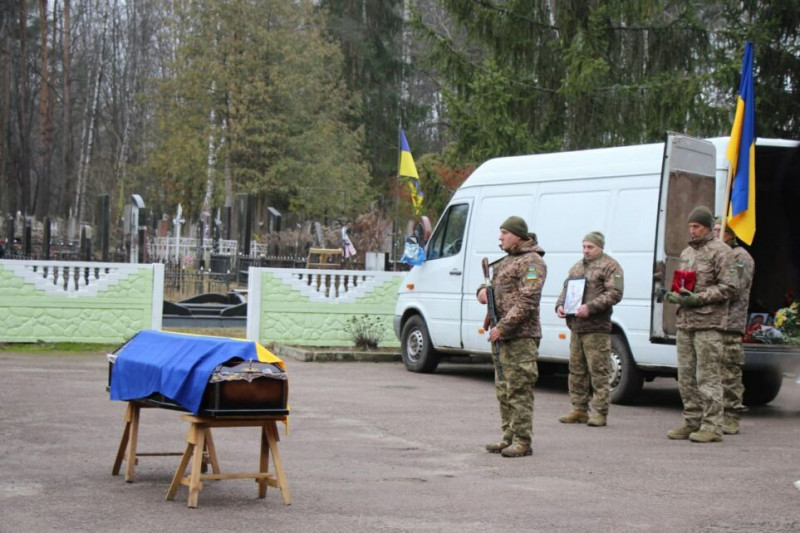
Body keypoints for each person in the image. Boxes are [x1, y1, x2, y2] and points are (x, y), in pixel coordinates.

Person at [476, 216, 546, 458]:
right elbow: (493, 290)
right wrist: (483, 293)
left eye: (505, 232)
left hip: (521, 336)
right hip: (502, 335)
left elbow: (528, 300)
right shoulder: (505, 262)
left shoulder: (532, 262)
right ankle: (508, 436)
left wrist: (504, 327)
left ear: (518, 235)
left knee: (519, 388)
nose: (500, 237)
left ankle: (523, 440)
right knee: (504, 388)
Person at [665, 206, 736, 443]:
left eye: (696, 226)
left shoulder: (723, 252)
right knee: (686, 376)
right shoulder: (687, 253)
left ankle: (713, 426)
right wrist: (675, 294)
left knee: (707, 376)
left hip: (709, 323)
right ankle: (691, 420)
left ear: (707, 227)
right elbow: (685, 283)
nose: (692, 231)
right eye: (690, 227)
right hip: (686, 322)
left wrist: (698, 298)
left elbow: (729, 287)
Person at [555, 231, 624, 427]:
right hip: (577, 327)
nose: (586, 250)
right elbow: (566, 289)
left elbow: (616, 293)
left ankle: (600, 412)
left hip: (596, 327)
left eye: (590, 247)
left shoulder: (612, 267)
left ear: (600, 247)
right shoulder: (577, 267)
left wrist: (590, 307)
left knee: (599, 370)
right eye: (584, 246)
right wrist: (560, 306)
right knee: (576, 369)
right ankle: (579, 409)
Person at [714, 217, 754, 435]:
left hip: (731, 321)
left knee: (729, 371)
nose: (717, 234)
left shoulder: (740, 258)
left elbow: (734, 288)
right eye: (715, 229)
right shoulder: (719, 254)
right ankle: (715, 413)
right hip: (714, 320)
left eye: (721, 230)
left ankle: (731, 416)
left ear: (731, 233)